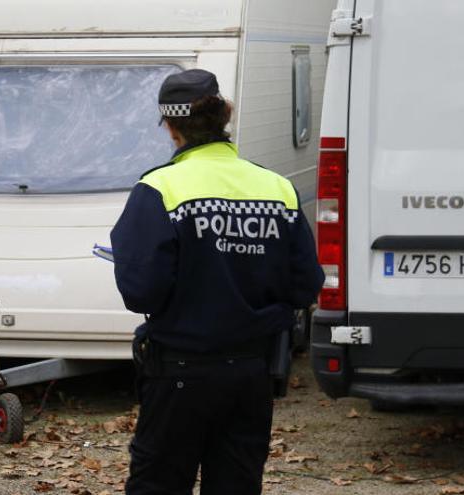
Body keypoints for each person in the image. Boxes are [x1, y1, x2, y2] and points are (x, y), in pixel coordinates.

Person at [110, 68, 325, 494]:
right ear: (224, 114)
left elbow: (141, 292)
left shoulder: (158, 188)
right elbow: (305, 286)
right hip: (251, 373)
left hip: (179, 371)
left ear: (171, 129)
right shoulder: (276, 188)